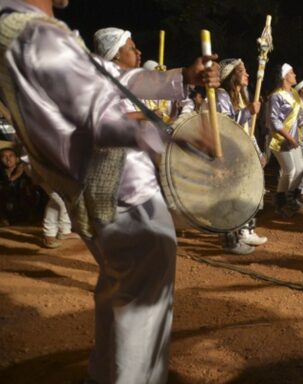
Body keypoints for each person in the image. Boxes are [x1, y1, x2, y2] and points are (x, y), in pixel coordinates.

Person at [0, 1, 220, 383]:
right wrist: (173, 141)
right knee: (142, 304)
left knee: (123, 290)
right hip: (120, 186)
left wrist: (183, 76)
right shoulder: (37, 35)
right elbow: (102, 114)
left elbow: (112, 78)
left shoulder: (22, 29)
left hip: (102, 185)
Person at [215, 58, 268, 252]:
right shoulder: (221, 95)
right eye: (242, 70)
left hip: (242, 153)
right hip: (227, 154)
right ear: (230, 75)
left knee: (246, 193)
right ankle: (230, 241)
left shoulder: (239, 97)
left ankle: (245, 231)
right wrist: (247, 111)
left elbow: (248, 131)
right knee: (229, 197)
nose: (247, 74)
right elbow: (224, 125)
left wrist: (257, 152)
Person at [266, 63, 303, 218]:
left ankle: (292, 197)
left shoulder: (294, 94)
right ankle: (280, 202)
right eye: (292, 72)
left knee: (301, 168)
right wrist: (289, 137)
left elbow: (299, 117)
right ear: (285, 77)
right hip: (280, 140)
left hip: (292, 139)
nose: (295, 74)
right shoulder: (276, 96)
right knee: (289, 171)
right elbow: (274, 121)